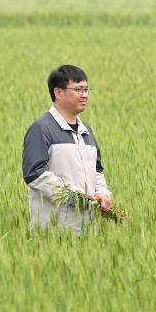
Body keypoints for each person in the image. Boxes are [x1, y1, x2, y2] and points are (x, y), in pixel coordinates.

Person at [22, 65, 112, 233]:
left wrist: (103, 193)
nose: (85, 95)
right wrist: (75, 198)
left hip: (89, 230)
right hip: (54, 231)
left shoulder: (86, 131)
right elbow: (35, 175)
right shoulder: (41, 129)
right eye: (78, 89)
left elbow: (97, 171)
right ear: (58, 92)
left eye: (87, 89)